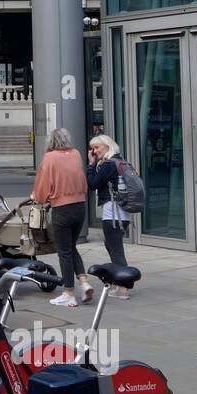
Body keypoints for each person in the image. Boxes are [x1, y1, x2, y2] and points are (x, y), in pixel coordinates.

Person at [32, 128, 89, 309]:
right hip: (80, 205)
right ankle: (84, 282)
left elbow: (42, 187)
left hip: (62, 208)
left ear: (51, 141)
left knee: (63, 251)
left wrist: (38, 197)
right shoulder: (76, 154)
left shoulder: (50, 157)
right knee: (71, 247)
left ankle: (69, 293)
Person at [87, 134, 133, 298]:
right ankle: (119, 282)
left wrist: (91, 165)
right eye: (93, 148)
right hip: (123, 213)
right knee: (112, 245)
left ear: (107, 146)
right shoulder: (122, 162)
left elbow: (92, 184)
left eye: (97, 147)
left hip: (113, 212)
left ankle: (124, 287)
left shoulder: (108, 165)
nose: (94, 151)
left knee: (115, 248)